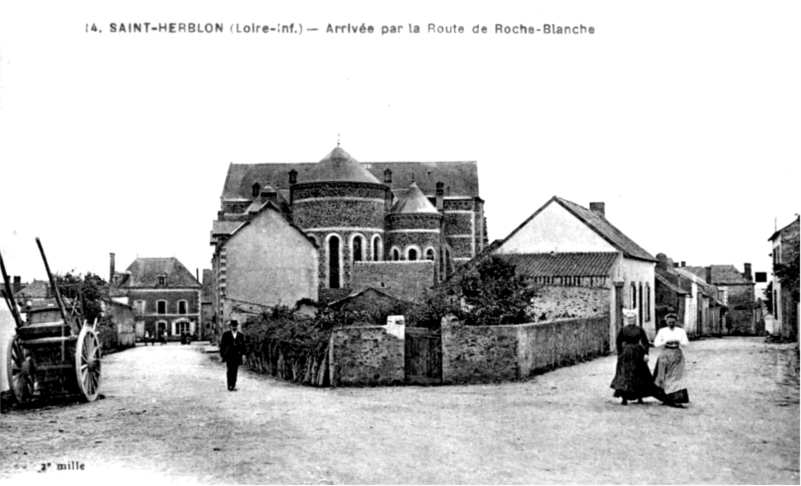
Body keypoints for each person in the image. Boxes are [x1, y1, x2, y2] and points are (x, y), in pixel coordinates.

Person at [610, 308, 656, 405]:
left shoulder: (639, 329)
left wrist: (646, 353)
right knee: (625, 375)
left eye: (633, 318)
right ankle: (624, 398)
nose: (631, 320)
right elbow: (618, 342)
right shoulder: (623, 330)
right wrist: (620, 353)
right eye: (629, 318)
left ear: (635, 319)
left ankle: (640, 397)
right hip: (626, 354)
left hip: (637, 353)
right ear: (627, 319)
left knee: (639, 374)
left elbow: (645, 342)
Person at [652, 313, 690, 407]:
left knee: (675, 376)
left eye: (673, 322)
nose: (671, 324)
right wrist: (665, 341)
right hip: (665, 354)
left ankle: (676, 399)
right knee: (663, 376)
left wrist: (679, 342)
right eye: (669, 322)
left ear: (676, 322)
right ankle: (666, 398)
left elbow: (686, 343)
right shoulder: (662, 331)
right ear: (666, 322)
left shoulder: (680, 331)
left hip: (677, 354)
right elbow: (656, 344)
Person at [219, 320, 246, 391]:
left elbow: (243, 346)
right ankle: (229, 385)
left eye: (235, 326)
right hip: (229, 355)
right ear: (230, 326)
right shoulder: (226, 334)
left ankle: (233, 385)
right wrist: (222, 354)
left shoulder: (240, 335)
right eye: (233, 326)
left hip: (237, 356)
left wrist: (243, 354)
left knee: (235, 370)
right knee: (229, 370)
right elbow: (222, 345)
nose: (234, 327)